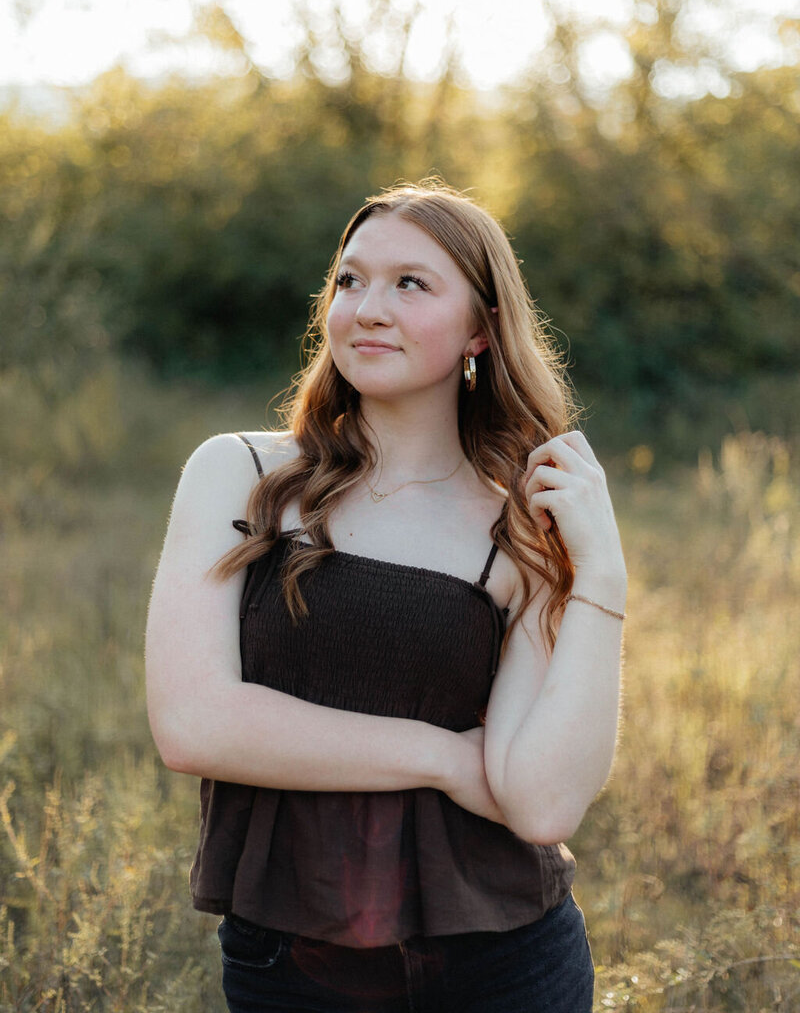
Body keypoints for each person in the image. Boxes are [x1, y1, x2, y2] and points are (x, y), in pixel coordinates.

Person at [145, 179, 627, 1012]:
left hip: (509, 963)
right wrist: (442, 757)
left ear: (481, 329)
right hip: (294, 964)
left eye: (411, 283)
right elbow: (192, 724)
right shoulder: (243, 474)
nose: (367, 307)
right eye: (349, 280)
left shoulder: (520, 522)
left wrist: (604, 580)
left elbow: (542, 800)